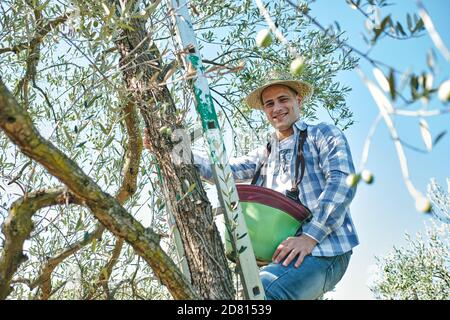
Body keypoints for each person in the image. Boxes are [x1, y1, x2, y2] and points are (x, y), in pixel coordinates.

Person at [191, 72, 359, 300]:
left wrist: (310, 237)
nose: (277, 107)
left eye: (283, 99)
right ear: (264, 111)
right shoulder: (266, 152)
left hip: (325, 249)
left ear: (298, 101)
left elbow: (342, 182)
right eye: (269, 104)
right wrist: (176, 150)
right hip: (285, 259)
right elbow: (223, 171)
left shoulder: (322, 134)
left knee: (262, 294)